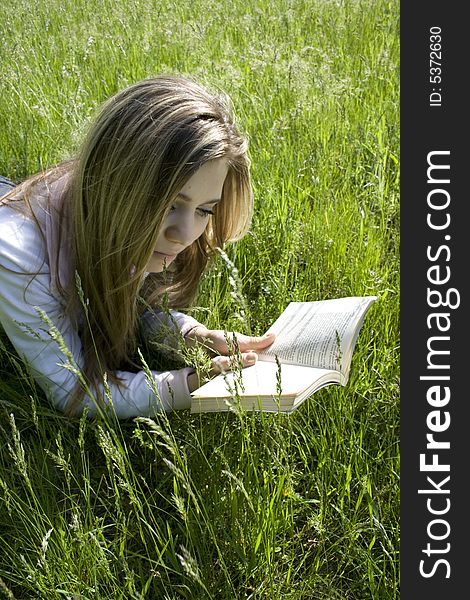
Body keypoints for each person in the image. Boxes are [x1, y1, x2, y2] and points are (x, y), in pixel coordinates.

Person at [0, 75, 275, 418]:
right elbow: (73, 390)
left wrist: (194, 337)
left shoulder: (113, 216)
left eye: (205, 210)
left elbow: (136, 304)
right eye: (169, 204)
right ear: (119, 182)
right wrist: (190, 384)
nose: (184, 234)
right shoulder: (19, 258)